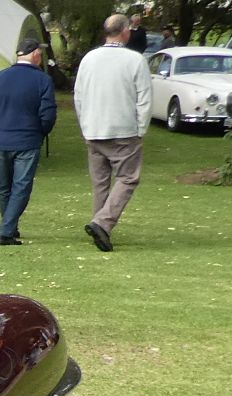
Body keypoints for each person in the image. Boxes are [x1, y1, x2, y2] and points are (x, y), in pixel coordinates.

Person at [74, 13, 152, 251]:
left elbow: (78, 95)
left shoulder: (89, 58)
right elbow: (144, 98)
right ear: (125, 31)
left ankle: (101, 227)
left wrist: (85, 124)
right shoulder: (135, 60)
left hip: (94, 128)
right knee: (128, 177)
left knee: (100, 183)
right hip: (123, 129)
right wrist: (141, 129)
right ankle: (102, 223)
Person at [0, 37, 55, 245]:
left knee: (4, 187)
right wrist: (40, 132)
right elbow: (48, 115)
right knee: (21, 186)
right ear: (36, 54)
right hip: (28, 139)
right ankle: (6, 231)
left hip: (3, 137)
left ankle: (9, 227)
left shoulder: (0, 77)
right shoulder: (42, 80)